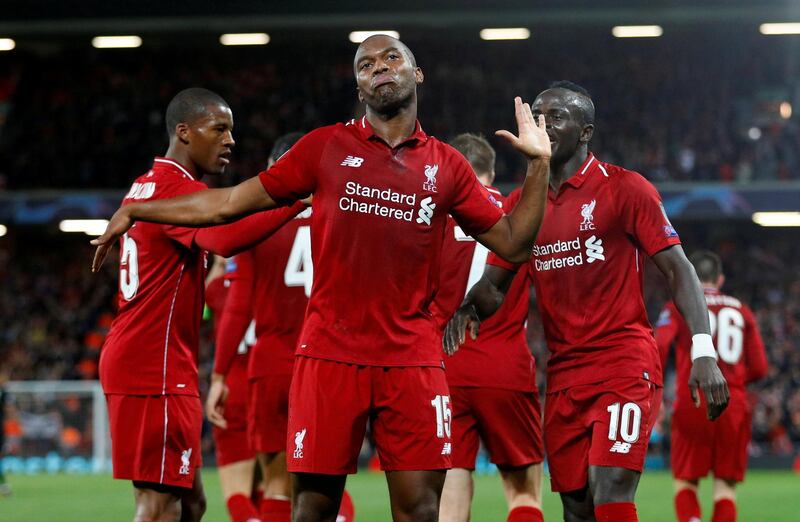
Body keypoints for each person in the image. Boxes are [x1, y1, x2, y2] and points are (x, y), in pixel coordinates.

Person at [91, 35, 552, 522]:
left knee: (420, 509)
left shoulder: (447, 164)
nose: (379, 67)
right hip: (329, 357)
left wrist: (540, 164)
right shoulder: (325, 147)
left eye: (392, 58)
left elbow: (514, 244)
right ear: (358, 86)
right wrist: (138, 208)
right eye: (365, 64)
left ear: (416, 74)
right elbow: (226, 204)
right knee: (311, 508)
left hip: (413, 359)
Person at [443, 81, 730, 522]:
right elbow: (495, 284)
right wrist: (468, 307)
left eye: (556, 117)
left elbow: (679, 268)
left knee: (611, 489)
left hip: (622, 364)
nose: (544, 125)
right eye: (538, 117)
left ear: (585, 131)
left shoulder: (626, 189)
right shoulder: (524, 206)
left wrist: (703, 350)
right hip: (563, 376)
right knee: (577, 508)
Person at [98, 87, 307, 522]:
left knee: (193, 504)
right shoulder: (174, 189)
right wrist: (296, 200)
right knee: (157, 507)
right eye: (219, 129)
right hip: (153, 365)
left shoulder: (146, 183)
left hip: (150, 357)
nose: (231, 140)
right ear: (184, 131)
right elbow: (225, 233)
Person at [206, 132, 355, 522]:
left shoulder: (259, 217)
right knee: (329, 480)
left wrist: (220, 374)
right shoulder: (339, 210)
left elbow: (238, 304)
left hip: (271, 364)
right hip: (329, 363)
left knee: (274, 483)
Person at [434, 134, 543, 522]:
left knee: (450, 493)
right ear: (491, 172)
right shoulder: (519, 216)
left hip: (442, 370)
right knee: (524, 493)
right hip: (505, 367)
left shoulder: (433, 217)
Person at [655, 250, 768, 522]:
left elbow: (659, 345)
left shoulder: (678, 306)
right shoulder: (742, 310)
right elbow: (760, 367)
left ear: (690, 274)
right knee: (725, 486)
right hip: (733, 403)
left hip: (692, 399)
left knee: (686, 481)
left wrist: (655, 390)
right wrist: (736, 381)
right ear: (720, 278)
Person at [205, 254, 260, 522]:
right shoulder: (268, 281)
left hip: (232, 391)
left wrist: (220, 259)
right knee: (271, 488)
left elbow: (206, 299)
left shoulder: (218, 289)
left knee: (237, 492)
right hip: (267, 384)